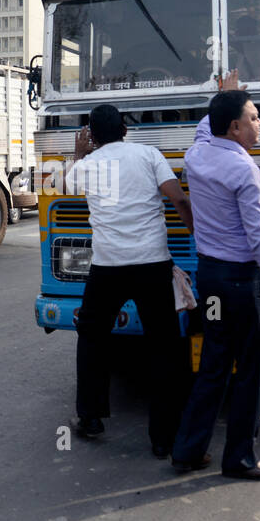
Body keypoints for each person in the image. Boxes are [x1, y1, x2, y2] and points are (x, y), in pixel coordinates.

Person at [170, 89, 260, 480]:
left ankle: (188, 450)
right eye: (254, 117)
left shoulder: (196, 155)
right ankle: (240, 458)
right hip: (245, 286)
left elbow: (205, 128)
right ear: (234, 127)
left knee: (213, 364)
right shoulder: (245, 172)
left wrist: (221, 95)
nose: (259, 123)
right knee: (250, 370)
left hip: (210, 279)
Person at [65, 104, 195, 457]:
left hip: (107, 266)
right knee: (164, 346)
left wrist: (79, 153)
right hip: (152, 263)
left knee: (92, 337)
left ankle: (91, 417)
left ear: (92, 134)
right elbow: (179, 198)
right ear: (124, 128)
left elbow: (68, 184)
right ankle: (164, 438)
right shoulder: (148, 154)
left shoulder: (88, 165)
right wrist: (197, 231)